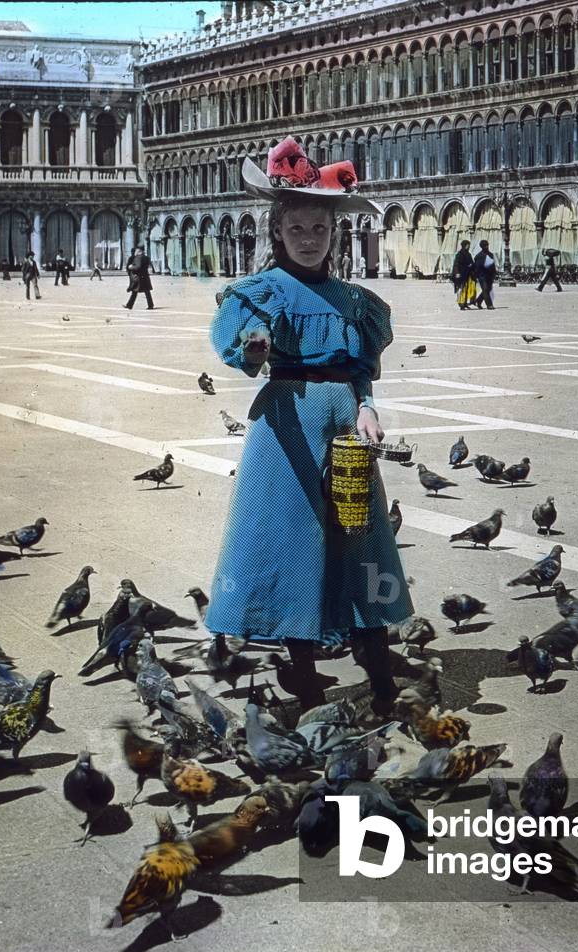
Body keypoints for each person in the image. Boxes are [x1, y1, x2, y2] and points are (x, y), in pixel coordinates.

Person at [204, 136, 413, 715]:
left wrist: (367, 406)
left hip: (344, 428)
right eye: (296, 228)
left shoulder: (353, 300)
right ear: (277, 230)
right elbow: (242, 355)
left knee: (360, 538)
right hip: (285, 430)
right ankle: (302, 671)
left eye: (318, 229)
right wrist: (253, 349)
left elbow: (359, 368)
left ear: (333, 232)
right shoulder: (260, 293)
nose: (308, 238)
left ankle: (378, 671)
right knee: (294, 542)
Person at [471, 239, 497, 309]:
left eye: (487, 245)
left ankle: (478, 301)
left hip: (489, 275)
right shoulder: (478, 256)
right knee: (485, 289)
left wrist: (494, 273)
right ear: (482, 247)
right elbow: (476, 266)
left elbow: (493, 264)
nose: (486, 247)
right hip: (482, 275)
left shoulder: (490, 254)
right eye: (485, 246)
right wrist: (476, 275)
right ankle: (489, 305)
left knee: (488, 289)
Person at [451, 239, 474, 310]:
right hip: (461, 274)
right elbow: (456, 264)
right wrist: (457, 273)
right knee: (461, 289)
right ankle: (461, 303)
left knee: (466, 289)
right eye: (468, 245)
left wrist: (471, 265)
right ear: (465, 246)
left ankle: (464, 303)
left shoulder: (468, 254)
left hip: (467, 274)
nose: (469, 246)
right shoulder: (459, 254)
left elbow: (471, 262)